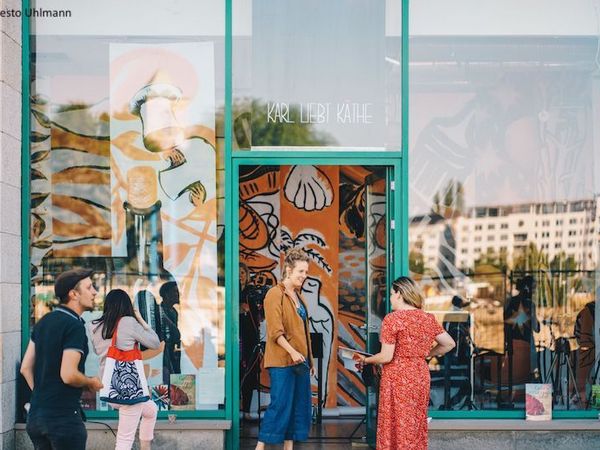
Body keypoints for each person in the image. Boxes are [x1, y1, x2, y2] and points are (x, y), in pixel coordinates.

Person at [357, 276, 455, 450]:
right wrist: (424, 354)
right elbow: (449, 343)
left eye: (392, 294)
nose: (390, 299)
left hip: (397, 377)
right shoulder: (427, 318)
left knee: (394, 424)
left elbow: (386, 356)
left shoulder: (393, 319)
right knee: (414, 424)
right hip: (419, 375)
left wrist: (366, 359)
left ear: (400, 294)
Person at [21, 267, 103, 450]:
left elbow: (26, 367)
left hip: (37, 417)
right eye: (89, 288)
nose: (95, 292)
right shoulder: (74, 326)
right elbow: (68, 374)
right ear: (74, 294)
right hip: (63, 419)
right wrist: (91, 382)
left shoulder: (44, 322)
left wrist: (43, 398)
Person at [256, 248, 314, 450]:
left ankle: (288, 447)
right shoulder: (274, 294)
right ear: (288, 270)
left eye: (306, 272)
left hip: (300, 362)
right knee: (279, 404)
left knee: (297, 406)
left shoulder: (299, 296)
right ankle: (260, 446)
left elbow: (303, 332)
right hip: (282, 361)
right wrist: (292, 352)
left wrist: (310, 361)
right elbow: (275, 331)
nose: (304, 276)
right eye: (301, 271)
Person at [89, 289, 161, 450]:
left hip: (109, 388)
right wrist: (141, 320)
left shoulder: (95, 326)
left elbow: (98, 352)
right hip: (128, 389)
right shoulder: (129, 322)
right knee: (124, 440)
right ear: (127, 305)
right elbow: (155, 343)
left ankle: (145, 447)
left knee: (151, 410)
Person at [158, 281, 182, 383]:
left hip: (172, 351)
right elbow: (176, 333)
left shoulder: (173, 311)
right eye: (175, 292)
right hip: (163, 352)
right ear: (167, 294)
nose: (178, 294)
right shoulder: (159, 311)